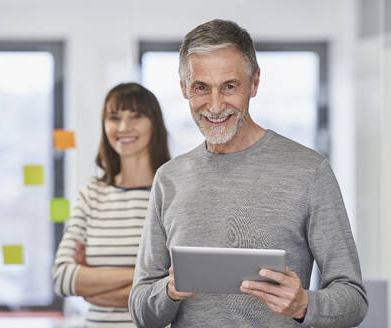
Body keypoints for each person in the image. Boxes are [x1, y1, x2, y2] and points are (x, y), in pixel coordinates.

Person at [129, 19, 368, 328]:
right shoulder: (169, 178)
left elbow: (354, 299)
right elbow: (141, 311)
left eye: (230, 86)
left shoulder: (309, 171)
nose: (215, 106)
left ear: (254, 84)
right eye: (201, 87)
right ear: (185, 89)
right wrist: (169, 292)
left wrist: (304, 304)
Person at [53, 83, 170, 327]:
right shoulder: (91, 196)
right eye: (114, 118)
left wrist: (92, 284)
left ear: (154, 124)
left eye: (136, 116)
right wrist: (146, 278)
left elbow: (181, 285)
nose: (124, 127)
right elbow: (63, 278)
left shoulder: (172, 196)